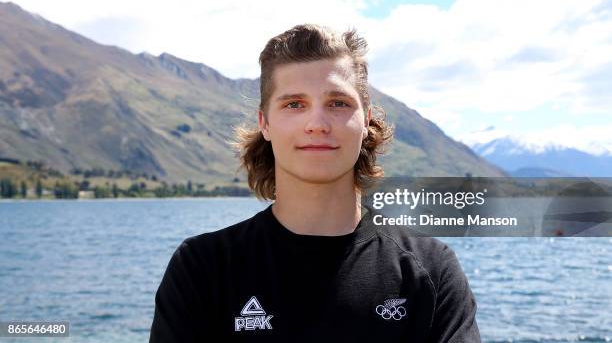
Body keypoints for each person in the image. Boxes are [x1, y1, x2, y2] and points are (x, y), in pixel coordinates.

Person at [149, 24, 481, 342]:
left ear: (366, 120)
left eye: (338, 103)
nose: (317, 124)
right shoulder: (203, 268)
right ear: (265, 123)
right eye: (295, 104)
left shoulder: (430, 271)